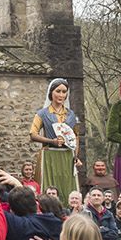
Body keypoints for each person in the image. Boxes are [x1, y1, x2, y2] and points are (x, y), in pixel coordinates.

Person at [30, 78, 81, 206]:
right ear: (51, 93)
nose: (61, 95)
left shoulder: (71, 114)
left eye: (64, 92)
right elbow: (33, 134)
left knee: (67, 187)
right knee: (48, 187)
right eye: (58, 91)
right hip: (49, 155)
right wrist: (51, 141)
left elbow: (76, 136)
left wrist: (76, 155)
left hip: (67, 156)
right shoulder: (42, 114)